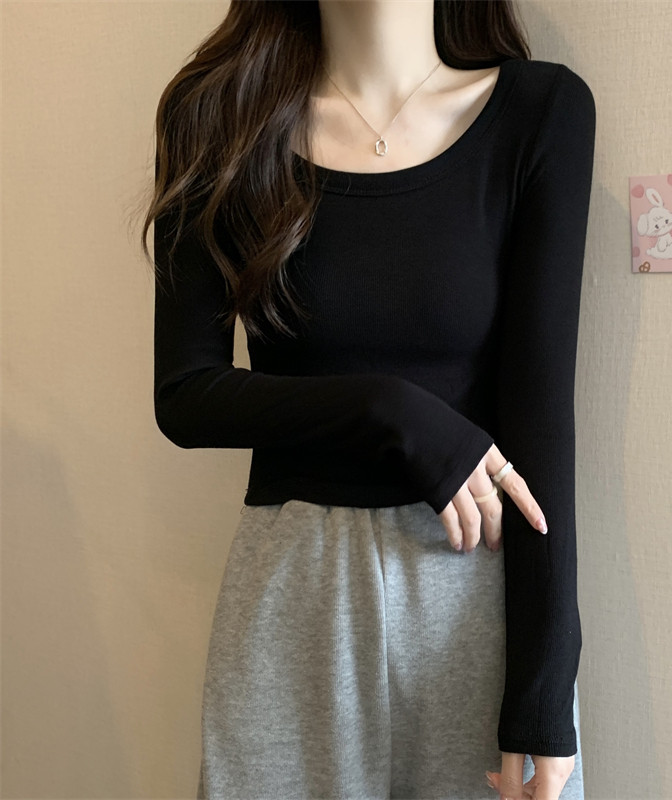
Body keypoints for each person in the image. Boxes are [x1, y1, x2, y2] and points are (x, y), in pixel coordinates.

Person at [141, 1, 595, 798]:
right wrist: (392, 412)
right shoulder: (217, 113)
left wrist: (543, 691)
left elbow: (543, 423)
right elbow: (186, 396)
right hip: (294, 590)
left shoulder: (540, 112)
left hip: (478, 592)